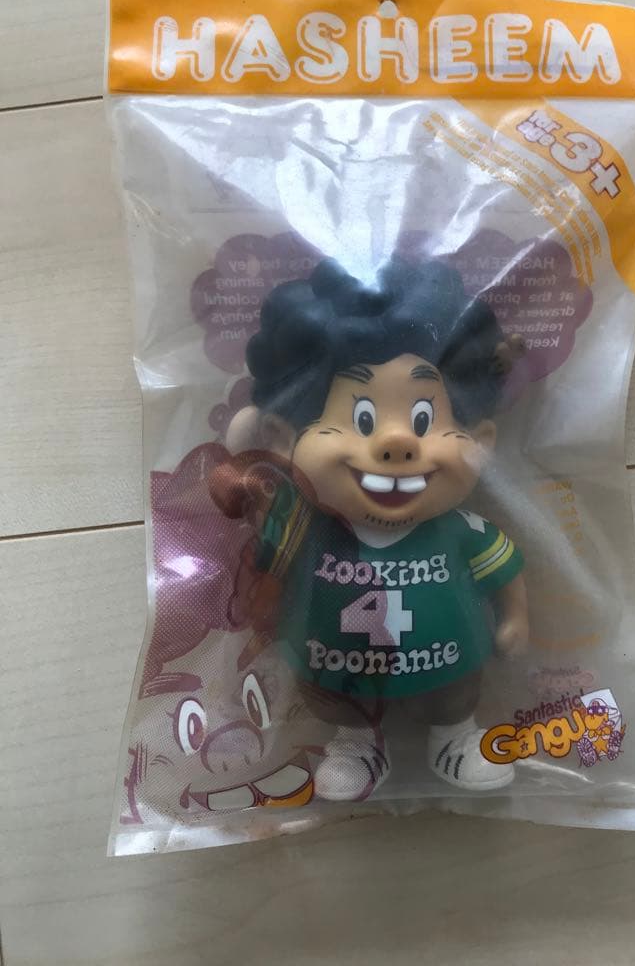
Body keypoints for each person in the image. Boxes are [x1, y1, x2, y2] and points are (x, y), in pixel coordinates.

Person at [211, 257, 529, 801]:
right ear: (284, 439)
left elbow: (504, 572)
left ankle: (454, 736)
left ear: (480, 443)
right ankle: (355, 744)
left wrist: (515, 619)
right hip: (335, 672)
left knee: (455, 695)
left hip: (450, 664)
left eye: (424, 420)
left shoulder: (459, 529)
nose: (396, 444)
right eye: (363, 419)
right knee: (336, 701)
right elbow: (267, 572)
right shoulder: (308, 530)